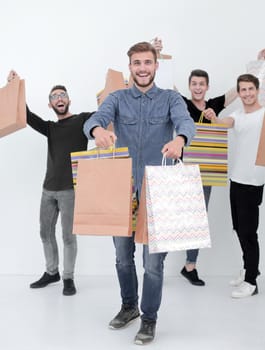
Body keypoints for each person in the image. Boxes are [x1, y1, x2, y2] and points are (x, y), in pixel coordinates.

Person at [83, 42, 195, 345]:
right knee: (122, 257)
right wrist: (98, 132)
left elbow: (186, 122)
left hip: (158, 190)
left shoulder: (171, 98)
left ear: (156, 65)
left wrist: (181, 139)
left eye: (148, 62)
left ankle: (149, 318)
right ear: (130, 67)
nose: (142, 68)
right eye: (137, 63)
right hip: (121, 190)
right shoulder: (117, 98)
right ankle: (129, 306)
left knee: (154, 263)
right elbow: (94, 119)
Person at [152, 37, 238, 286]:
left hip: (207, 171)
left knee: (198, 218)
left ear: (207, 86)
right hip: (182, 168)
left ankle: (190, 266)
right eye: (194, 84)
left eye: (202, 84)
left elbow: (237, 90)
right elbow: (166, 83)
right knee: (175, 215)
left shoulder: (213, 106)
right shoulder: (181, 102)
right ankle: (158, 262)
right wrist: (158, 54)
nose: (198, 87)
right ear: (189, 86)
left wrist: (259, 65)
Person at [7, 70, 94, 296]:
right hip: (48, 190)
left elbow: (106, 112)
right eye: (54, 97)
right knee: (45, 233)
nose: (59, 98)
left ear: (69, 100)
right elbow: (25, 114)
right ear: (50, 105)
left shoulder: (83, 120)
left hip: (70, 191)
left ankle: (68, 278)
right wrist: (14, 86)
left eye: (62, 95)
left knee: (67, 237)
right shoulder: (50, 128)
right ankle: (51, 272)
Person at [206, 73, 265, 298]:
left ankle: (251, 282)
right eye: (243, 90)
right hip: (236, 179)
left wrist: (261, 64)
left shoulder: (263, 114)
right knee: (239, 229)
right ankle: (250, 268)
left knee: (249, 233)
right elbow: (222, 123)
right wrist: (213, 116)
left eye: (251, 89)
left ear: (258, 90)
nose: (247, 93)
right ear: (238, 93)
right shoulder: (237, 115)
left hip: (253, 181)